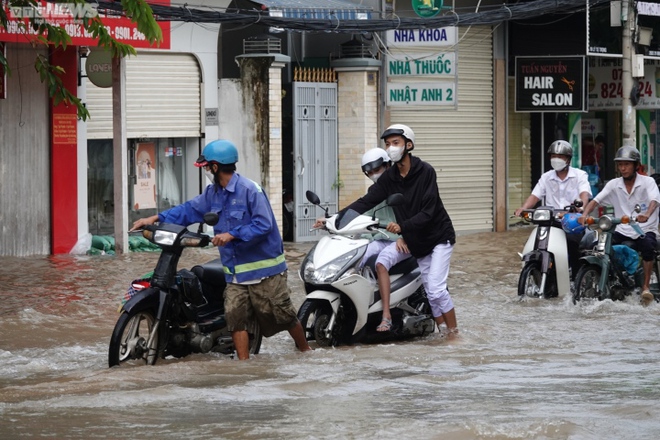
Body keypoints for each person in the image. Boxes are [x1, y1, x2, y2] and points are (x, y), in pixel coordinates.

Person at [130, 139, 312, 359]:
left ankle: (306, 352)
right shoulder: (212, 193)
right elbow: (189, 210)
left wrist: (232, 234)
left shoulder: (249, 190)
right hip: (235, 272)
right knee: (235, 319)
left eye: (206, 167)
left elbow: (264, 224)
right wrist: (156, 217)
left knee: (284, 316)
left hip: (266, 272)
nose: (205, 171)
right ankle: (244, 366)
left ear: (215, 167)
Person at [341, 124, 458, 336]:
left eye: (395, 143)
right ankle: (443, 333)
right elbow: (366, 201)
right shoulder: (390, 177)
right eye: (387, 144)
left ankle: (454, 333)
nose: (390, 148)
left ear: (408, 145)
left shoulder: (426, 172)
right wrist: (336, 218)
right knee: (431, 294)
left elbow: (429, 211)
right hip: (417, 242)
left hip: (439, 237)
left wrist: (402, 226)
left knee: (437, 289)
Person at [580, 146, 660, 306]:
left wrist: (646, 215)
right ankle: (609, 278)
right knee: (598, 246)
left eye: (627, 164)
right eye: (620, 165)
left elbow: (654, 201)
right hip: (622, 230)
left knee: (647, 246)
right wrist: (585, 214)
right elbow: (596, 200)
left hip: (644, 229)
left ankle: (645, 287)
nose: (623, 168)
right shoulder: (614, 184)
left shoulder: (647, 182)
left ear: (636, 165)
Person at [514, 140, 592, 277]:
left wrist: (581, 206)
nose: (556, 159)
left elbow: (584, 194)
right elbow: (535, 196)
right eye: (553, 156)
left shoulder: (580, 175)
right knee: (534, 242)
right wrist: (523, 208)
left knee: (573, 244)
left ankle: (576, 278)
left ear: (568, 159)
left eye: (560, 156)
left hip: (571, 221)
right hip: (551, 221)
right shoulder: (546, 177)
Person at [358, 148, 408, 332]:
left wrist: (404, 236)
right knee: (357, 258)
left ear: (388, 166)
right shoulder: (373, 191)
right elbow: (366, 215)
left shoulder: (403, 188)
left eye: (376, 170)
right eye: (369, 172)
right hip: (380, 238)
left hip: (401, 240)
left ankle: (386, 315)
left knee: (381, 263)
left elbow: (413, 216)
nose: (374, 175)